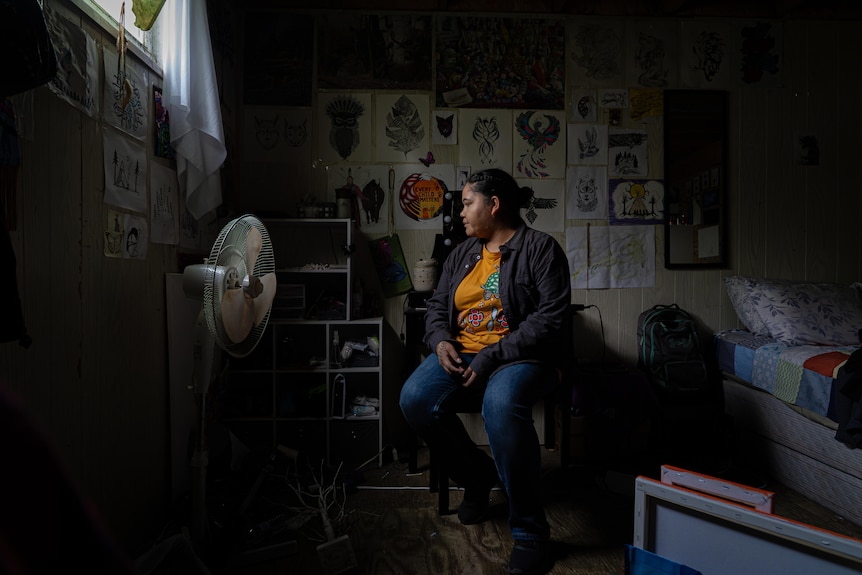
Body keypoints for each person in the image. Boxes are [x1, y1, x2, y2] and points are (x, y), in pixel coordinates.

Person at [399, 168, 571, 575]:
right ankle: (477, 478)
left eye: (467, 203)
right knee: (415, 399)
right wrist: (440, 341)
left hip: (523, 358)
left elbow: (550, 319)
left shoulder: (540, 248)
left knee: (500, 403)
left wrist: (493, 357)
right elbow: (438, 308)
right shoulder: (461, 252)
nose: (461, 213)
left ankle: (531, 534)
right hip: (465, 354)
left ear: (494, 205)